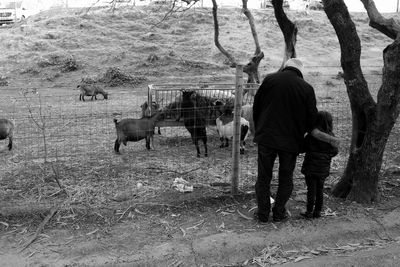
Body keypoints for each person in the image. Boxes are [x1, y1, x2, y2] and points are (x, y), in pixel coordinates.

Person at [253, 58, 340, 223]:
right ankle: (279, 213)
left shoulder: (269, 80)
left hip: (267, 137)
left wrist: (259, 129)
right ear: (300, 71)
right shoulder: (306, 88)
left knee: (264, 177)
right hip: (291, 142)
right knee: (286, 178)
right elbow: (312, 118)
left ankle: (263, 214)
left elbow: (256, 106)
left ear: (286, 67)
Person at [300, 111, 338, 219]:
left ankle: (308, 211)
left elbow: (302, 148)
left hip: (310, 168)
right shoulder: (331, 137)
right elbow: (335, 151)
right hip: (323, 169)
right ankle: (317, 212)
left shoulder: (311, 136)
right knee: (320, 190)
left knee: (311, 190)